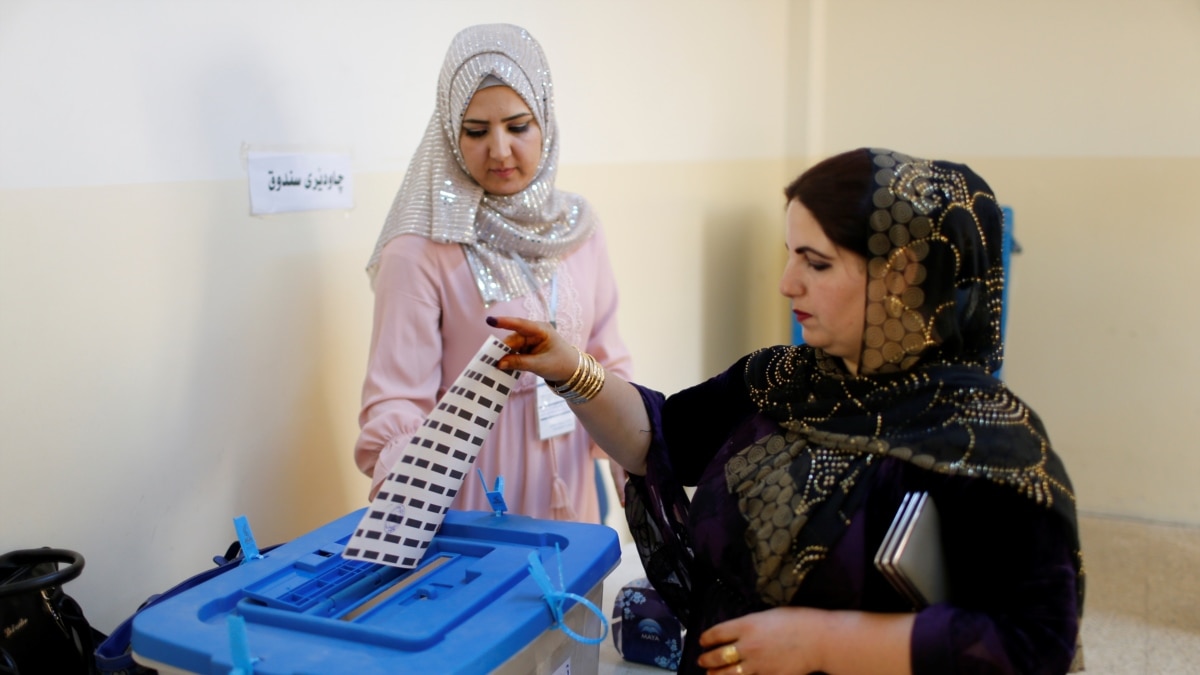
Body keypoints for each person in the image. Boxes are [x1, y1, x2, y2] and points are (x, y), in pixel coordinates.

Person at [489, 148, 1083, 674]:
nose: (786, 283)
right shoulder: (785, 378)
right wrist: (572, 370)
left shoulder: (979, 439)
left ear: (900, 276)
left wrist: (823, 644)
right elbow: (659, 436)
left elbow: (1034, 641)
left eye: (816, 263)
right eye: (789, 255)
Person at [354, 23, 633, 523]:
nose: (500, 151)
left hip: (572, 484)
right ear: (448, 133)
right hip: (473, 499)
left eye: (518, 126)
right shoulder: (419, 251)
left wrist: (632, 457)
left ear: (545, 120)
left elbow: (608, 357)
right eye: (476, 131)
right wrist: (409, 494)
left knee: (577, 597)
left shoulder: (578, 228)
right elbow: (396, 399)